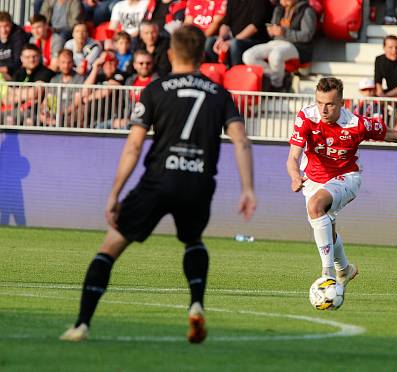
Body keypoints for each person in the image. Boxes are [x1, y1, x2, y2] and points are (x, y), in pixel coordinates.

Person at [59, 26, 257, 343]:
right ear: (202, 55)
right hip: (198, 182)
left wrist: (115, 193)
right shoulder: (220, 94)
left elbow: (134, 147)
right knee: (193, 241)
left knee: (109, 249)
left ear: (169, 54)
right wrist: (248, 188)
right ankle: (196, 303)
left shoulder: (154, 89)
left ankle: (82, 324)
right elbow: (241, 141)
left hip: (158, 181)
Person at [286, 77, 397, 294]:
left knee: (316, 206)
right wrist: (294, 176)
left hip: (346, 177)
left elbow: (394, 135)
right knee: (328, 230)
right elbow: (292, 157)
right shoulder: (306, 117)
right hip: (312, 180)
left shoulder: (357, 124)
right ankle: (344, 270)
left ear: (341, 103)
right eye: (319, 103)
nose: (323, 110)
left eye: (329, 104)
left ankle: (327, 277)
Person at [242, 0, 317, 91]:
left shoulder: (307, 10)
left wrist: (285, 32)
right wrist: (271, 31)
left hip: (297, 46)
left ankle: (277, 86)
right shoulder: (279, 9)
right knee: (248, 56)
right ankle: (278, 78)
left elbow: (307, 35)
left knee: (275, 55)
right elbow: (273, 29)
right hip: (276, 42)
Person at [206, 0, 272, 67]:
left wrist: (230, 41)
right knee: (211, 41)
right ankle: (214, 72)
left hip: (256, 40)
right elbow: (226, 24)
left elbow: (254, 27)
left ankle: (236, 72)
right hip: (235, 38)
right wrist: (221, 38)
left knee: (235, 44)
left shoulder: (260, 2)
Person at [0, 11, 26, 79]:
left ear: (11, 24)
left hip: (15, 74)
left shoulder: (18, 35)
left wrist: (4, 69)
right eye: (0, 26)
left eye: (6, 26)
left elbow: (19, 62)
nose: (3, 30)